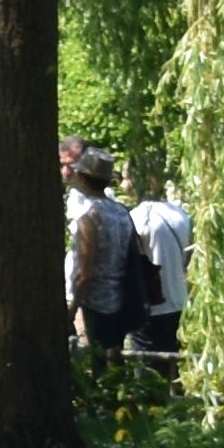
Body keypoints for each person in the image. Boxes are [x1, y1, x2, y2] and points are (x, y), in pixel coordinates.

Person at [61, 144, 139, 361]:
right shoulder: (121, 212)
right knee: (114, 358)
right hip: (120, 298)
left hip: (94, 303)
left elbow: (85, 273)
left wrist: (72, 310)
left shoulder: (89, 218)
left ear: (84, 177)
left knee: (95, 361)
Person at [127, 174, 193, 365]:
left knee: (147, 366)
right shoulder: (181, 216)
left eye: (126, 177)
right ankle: (173, 394)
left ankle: (154, 395)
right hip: (179, 299)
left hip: (150, 304)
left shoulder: (135, 218)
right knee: (173, 361)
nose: (123, 184)